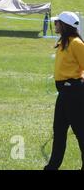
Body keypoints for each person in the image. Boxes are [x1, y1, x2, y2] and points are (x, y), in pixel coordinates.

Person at [44, 12, 84, 170]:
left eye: (57, 22)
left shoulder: (76, 43)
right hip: (64, 94)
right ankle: (52, 166)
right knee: (59, 131)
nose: (55, 25)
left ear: (65, 25)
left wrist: (78, 84)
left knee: (80, 131)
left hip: (74, 93)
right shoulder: (64, 42)